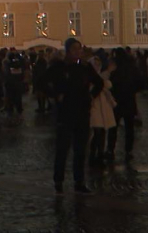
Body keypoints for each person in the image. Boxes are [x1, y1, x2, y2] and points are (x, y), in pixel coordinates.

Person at [48, 38, 102, 195]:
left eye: (79, 49)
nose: (78, 52)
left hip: (82, 112)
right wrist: (55, 95)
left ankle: (79, 181)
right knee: (62, 149)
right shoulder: (59, 67)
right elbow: (42, 81)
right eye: (74, 49)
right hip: (65, 113)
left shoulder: (85, 67)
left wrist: (91, 95)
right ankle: (59, 181)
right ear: (68, 51)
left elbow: (98, 82)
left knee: (80, 150)